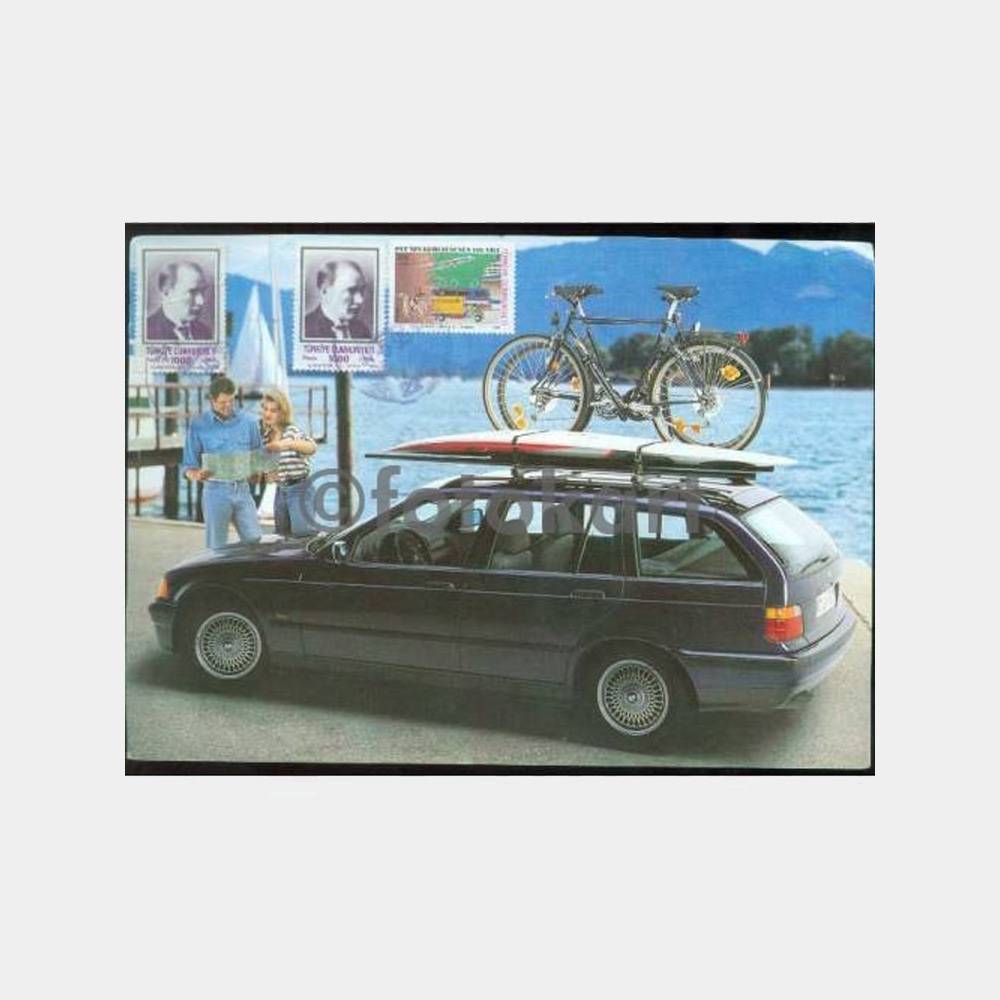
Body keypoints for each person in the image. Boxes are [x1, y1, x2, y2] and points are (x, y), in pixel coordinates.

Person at [181, 375, 263, 549]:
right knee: (216, 546)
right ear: (212, 400)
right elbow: (188, 465)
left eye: (231, 401)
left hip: (242, 489)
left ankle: (236, 562)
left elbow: (258, 456)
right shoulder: (198, 425)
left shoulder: (249, 422)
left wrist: (257, 471)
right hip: (215, 491)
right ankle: (221, 564)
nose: (228, 406)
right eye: (222, 402)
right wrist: (197, 474)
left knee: (254, 539)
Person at [260, 388, 317, 537]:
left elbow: (312, 447)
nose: (268, 414)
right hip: (281, 491)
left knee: (302, 533)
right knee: (282, 535)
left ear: (282, 413)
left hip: (300, 488)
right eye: (265, 409)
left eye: (273, 410)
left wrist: (287, 444)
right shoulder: (266, 437)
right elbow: (269, 471)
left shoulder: (291, 432)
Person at [303, 259, 372, 339]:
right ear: (324, 291)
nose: (360, 300)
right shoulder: (305, 329)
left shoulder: (362, 330)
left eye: (362, 290)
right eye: (351, 291)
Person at [146, 260, 214, 341]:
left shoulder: (204, 331)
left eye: (203, 291)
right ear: (166, 293)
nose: (201, 301)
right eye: (192, 292)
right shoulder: (147, 332)